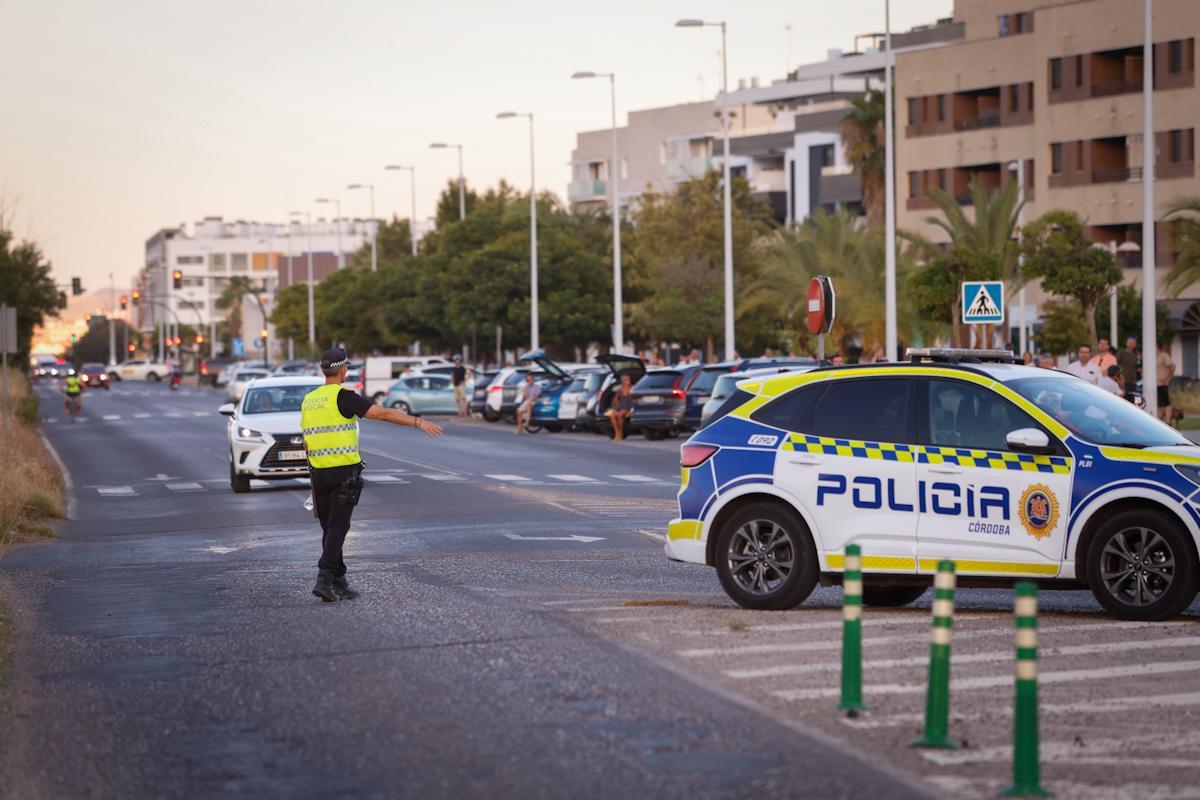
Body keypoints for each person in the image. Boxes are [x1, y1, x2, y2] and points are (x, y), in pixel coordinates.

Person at [302, 348, 443, 602]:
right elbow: (384, 414)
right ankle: (324, 578)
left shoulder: (309, 400)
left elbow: (306, 441)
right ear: (343, 370)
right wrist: (418, 422)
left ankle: (338, 581)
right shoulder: (344, 397)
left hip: (318, 472)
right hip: (343, 472)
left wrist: (312, 476)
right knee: (339, 526)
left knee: (330, 528)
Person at [608, 373, 634, 441]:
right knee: (612, 416)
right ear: (623, 381)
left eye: (629, 379)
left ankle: (621, 432)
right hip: (620, 406)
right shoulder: (620, 389)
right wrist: (616, 403)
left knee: (620, 415)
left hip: (628, 407)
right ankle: (617, 432)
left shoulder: (633, 388)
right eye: (626, 380)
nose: (629, 381)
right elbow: (615, 398)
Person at [1157, 342, 1176, 424]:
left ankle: (1168, 422)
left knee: (1166, 403)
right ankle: (1159, 422)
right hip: (1156, 384)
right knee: (1160, 404)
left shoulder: (1164, 355)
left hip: (1162, 384)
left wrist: (1168, 379)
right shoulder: (1154, 356)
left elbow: (1173, 366)